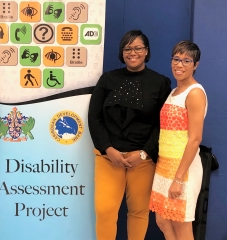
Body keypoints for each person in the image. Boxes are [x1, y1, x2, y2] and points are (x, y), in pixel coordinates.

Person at [88, 29, 171, 240]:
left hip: (142, 160)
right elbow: (94, 117)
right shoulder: (107, 79)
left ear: (146, 51)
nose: (132, 52)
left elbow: (162, 125)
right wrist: (108, 149)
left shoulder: (160, 83)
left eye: (137, 48)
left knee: (139, 212)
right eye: (127, 48)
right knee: (105, 211)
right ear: (122, 52)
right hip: (108, 157)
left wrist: (144, 153)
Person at [149, 41, 207, 240]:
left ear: (195, 65)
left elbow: (195, 139)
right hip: (165, 166)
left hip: (183, 171)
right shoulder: (174, 92)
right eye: (176, 59)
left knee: (181, 226)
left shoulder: (195, 93)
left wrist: (178, 178)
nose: (179, 65)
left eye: (186, 60)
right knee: (163, 221)